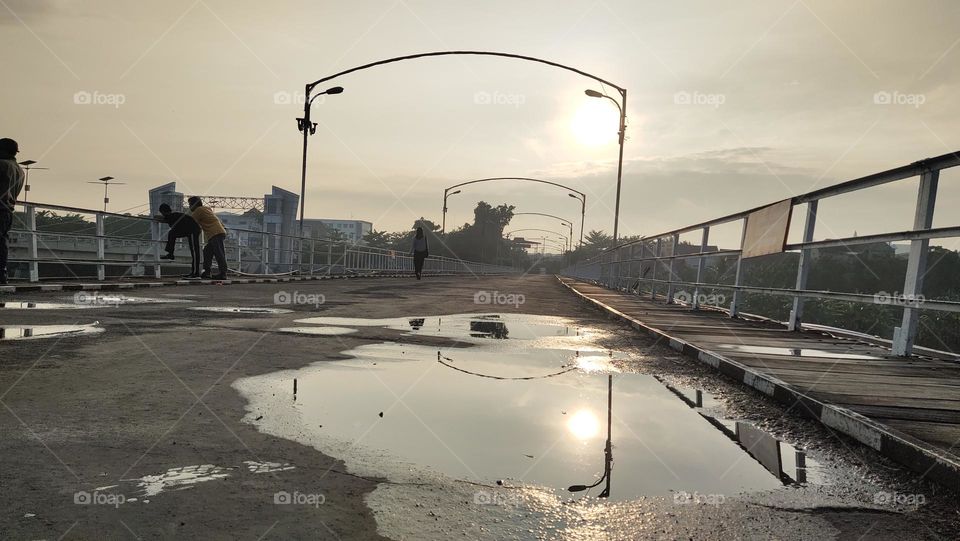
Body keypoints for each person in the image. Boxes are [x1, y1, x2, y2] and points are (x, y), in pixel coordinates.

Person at [0, 138, 25, 285]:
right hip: (7, 211)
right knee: (2, 242)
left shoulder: (2, 165)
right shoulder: (20, 170)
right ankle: (2, 273)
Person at [187, 196, 228, 280]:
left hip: (215, 233)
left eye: (190, 204)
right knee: (207, 251)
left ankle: (223, 273)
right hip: (218, 232)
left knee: (219, 254)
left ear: (194, 204)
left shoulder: (198, 210)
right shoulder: (206, 208)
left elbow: (190, 221)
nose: (189, 207)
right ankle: (207, 272)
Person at [156, 203, 202, 278]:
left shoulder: (170, 216)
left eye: (162, 212)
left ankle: (196, 273)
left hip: (193, 231)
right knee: (172, 233)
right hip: (189, 230)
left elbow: (158, 218)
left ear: (163, 212)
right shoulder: (174, 215)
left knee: (194, 251)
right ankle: (170, 254)